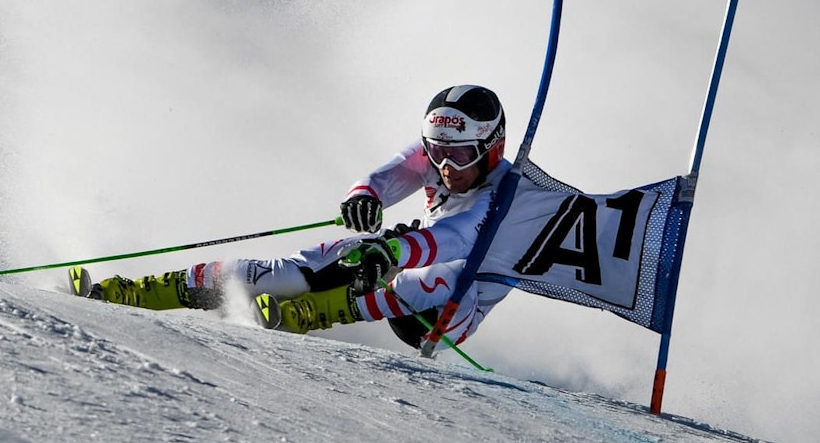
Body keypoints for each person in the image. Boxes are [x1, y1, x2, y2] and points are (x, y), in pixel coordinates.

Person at [88, 85, 514, 349]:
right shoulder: (442, 156)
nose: (444, 166)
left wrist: (397, 249)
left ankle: (310, 313)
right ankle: (134, 292)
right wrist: (364, 197)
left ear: (491, 148)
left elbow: (457, 238)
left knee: (437, 272)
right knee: (289, 273)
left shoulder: (506, 194)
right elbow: (389, 174)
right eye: (436, 151)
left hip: (445, 314)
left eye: (457, 155)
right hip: (405, 255)